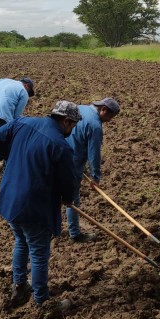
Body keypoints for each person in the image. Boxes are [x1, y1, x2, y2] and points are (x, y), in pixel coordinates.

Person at [0, 100, 82, 313]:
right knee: (39, 253)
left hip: (10, 200)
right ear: (67, 121)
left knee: (21, 241)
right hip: (33, 207)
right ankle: (42, 302)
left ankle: (19, 286)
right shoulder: (60, 145)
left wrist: (11, 156)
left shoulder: (22, 122)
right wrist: (68, 198)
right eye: (73, 125)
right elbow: (68, 183)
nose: (72, 130)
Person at [65, 97, 121, 242]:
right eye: (110, 117)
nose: (109, 120)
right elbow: (94, 154)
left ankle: (48, 227)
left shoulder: (79, 107)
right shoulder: (95, 125)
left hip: (59, 153)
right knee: (72, 199)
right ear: (103, 110)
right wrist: (95, 177)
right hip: (74, 161)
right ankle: (75, 234)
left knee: (51, 193)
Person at [0, 77, 35, 174]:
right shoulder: (23, 92)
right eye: (29, 92)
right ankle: (8, 169)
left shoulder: (4, 80)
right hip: (1, 116)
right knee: (9, 142)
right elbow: (16, 116)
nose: (28, 95)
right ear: (27, 86)